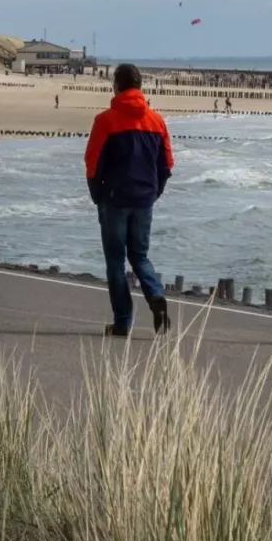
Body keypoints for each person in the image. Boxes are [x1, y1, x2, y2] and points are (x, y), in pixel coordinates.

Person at [84, 63, 173, 338]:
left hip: (114, 200)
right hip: (143, 200)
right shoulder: (156, 121)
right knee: (140, 256)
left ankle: (123, 321)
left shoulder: (106, 120)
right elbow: (167, 164)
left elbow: (92, 162)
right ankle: (155, 294)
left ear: (117, 86)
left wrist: (97, 194)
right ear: (140, 86)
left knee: (115, 260)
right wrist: (154, 192)